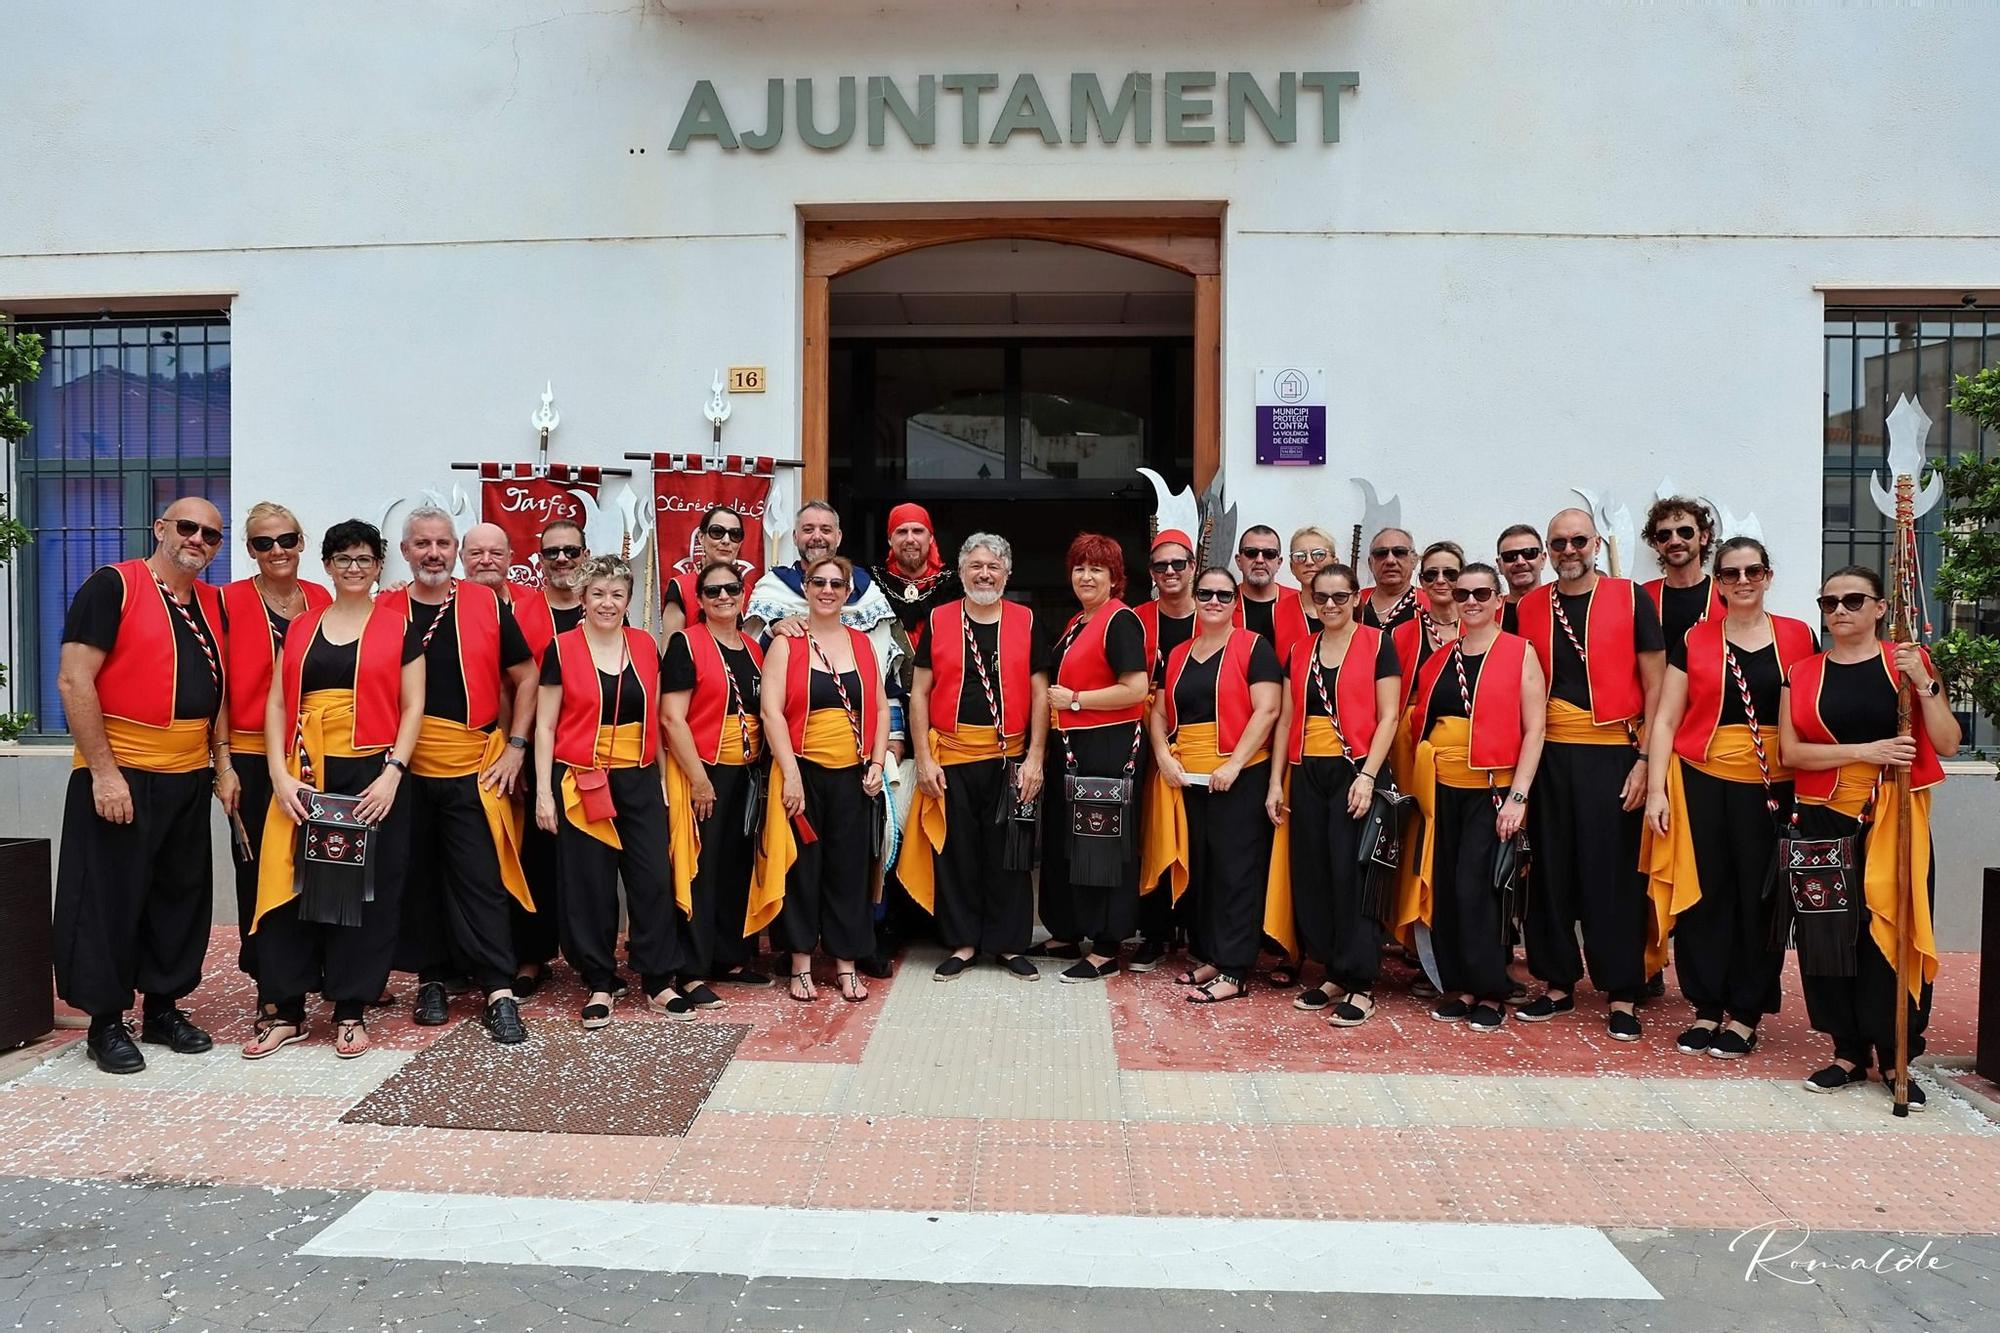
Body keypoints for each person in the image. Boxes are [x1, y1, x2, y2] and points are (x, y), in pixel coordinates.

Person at [53, 498, 232, 1074]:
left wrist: (221, 764)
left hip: (186, 773)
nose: (198, 539)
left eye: (210, 533)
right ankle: (105, 1022)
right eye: (187, 527)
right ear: (160, 529)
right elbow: (74, 679)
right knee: (108, 899)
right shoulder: (113, 586)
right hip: (122, 770)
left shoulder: (210, 603)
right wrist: (104, 773)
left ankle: (162, 1008)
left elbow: (218, 690)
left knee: (178, 898)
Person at [1781, 566, 1959, 1106]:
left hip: (1893, 819)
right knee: (1829, 937)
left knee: (1892, 931)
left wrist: (1924, 684)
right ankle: (1846, 1052)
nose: (1840, 611)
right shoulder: (1802, 672)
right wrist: (1866, 752)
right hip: (1822, 817)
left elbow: (1948, 742)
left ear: (1881, 608)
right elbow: (1791, 754)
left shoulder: (1905, 664)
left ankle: (1896, 1053)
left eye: (1854, 600)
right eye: (1829, 602)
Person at [245, 521, 422, 1059]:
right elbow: (278, 703)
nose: (353, 567)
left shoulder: (397, 627)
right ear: (326, 564)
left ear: (377, 568)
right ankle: (287, 1010)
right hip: (306, 772)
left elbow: (413, 706)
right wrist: (278, 773)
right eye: (342, 557)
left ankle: (350, 1009)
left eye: (364, 559)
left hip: (370, 773)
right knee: (289, 888)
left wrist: (393, 772)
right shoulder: (301, 627)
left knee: (361, 896)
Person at [1644, 537, 1816, 1059]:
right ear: (1717, 582)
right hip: (1701, 777)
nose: (1742, 581)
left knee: (1760, 899)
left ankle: (1744, 1014)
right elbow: (1667, 718)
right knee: (1704, 895)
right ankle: (1704, 1008)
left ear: (1768, 576)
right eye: (1731, 573)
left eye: (1753, 571)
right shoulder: (1695, 639)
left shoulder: (1798, 636)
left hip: (1773, 784)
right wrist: (1656, 790)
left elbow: (1810, 710)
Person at [1512, 508, 1665, 1040]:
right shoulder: (1530, 605)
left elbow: (1656, 686)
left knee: (1614, 876)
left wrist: (1647, 761)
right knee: (1549, 874)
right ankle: (1556, 982)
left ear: (1595, 543)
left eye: (1578, 540)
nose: (1568, 550)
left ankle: (1622, 989)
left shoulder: (1630, 597)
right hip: (1550, 754)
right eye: (1558, 542)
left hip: (1614, 755)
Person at [388, 505, 538, 1044]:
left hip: (472, 764)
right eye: (421, 544)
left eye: (442, 544)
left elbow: (527, 677)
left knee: (482, 877)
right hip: (401, 769)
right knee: (418, 878)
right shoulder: (386, 610)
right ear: (405, 551)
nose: (433, 553)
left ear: (455, 551)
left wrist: (517, 746)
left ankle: (498, 987)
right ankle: (430, 979)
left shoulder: (485, 604)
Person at [534, 557, 686, 1027]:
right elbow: (544, 725)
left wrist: (662, 780)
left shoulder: (644, 645)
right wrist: (543, 792)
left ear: (627, 599)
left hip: (637, 777)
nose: (607, 603)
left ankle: (658, 978)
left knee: (652, 878)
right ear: (583, 598)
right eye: (598, 593)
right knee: (590, 886)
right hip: (581, 779)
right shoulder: (561, 648)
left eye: (616, 594)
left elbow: (657, 719)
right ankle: (600, 981)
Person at [1402, 564, 1546, 1031]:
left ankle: (1489, 990)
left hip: (1492, 791)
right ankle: (1458, 984)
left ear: (1498, 598)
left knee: (1477, 891)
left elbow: (1535, 728)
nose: (1471, 600)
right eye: (1462, 593)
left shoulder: (1519, 652)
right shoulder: (1441, 659)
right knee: (1445, 890)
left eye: (1481, 592)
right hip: (1441, 792)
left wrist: (1518, 797)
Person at [902, 534, 1051, 980]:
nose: (984, 573)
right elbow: (919, 694)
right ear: (962, 572)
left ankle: (1008, 944)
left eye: (993, 566)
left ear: (1007, 573)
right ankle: (963, 942)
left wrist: (1037, 758)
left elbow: (1042, 692)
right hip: (952, 754)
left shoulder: (1026, 621)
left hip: (1011, 755)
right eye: (976, 566)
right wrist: (925, 758)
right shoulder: (940, 618)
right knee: (958, 853)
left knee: (1011, 854)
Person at [1264, 563, 1401, 1020]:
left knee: (1353, 876)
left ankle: (1362, 982)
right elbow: (1285, 719)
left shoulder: (1379, 644)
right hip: (1307, 773)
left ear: (1355, 597)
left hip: (1356, 771)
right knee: (1315, 875)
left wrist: (1367, 775)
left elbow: (1389, 717)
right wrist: (1275, 783)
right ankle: (1333, 970)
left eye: (1339, 597)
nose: (1329, 605)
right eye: (1321, 597)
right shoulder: (1300, 649)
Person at [757, 555, 891, 1003]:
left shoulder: (861, 643)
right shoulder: (787, 642)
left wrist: (874, 764)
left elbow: (876, 707)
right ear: (807, 588)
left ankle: (846, 963)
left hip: (853, 776)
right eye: (819, 582)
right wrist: (790, 775)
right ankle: (799, 963)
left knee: (849, 871)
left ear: (849, 591)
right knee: (801, 869)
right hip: (802, 771)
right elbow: (770, 712)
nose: (828, 590)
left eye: (837, 583)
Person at [1144, 568, 1283, 1002]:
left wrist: (1235, 765)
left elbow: (1268, 710)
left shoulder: (1253, 646)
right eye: (1205, 593)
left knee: (1237, 872)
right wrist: (1164, 756)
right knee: (1202, 869)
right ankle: (1210, 955)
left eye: (1224, 594)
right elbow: (1159, 712)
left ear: (1236, 599)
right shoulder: (1181, 652)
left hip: (1239, 776)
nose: (1214, 601)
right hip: (1191, 776)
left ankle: (1236, 969)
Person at [220, 502, 331, 991]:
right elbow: (215, 689)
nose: (277, 551)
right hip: (248, 753)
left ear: (302, 542)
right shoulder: (227, 601)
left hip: (314, 748)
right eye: (264, 543)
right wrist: (222, 765)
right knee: (258, 868)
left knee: (318, 862)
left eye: (286, 539)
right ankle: (270, 980)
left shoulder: (321, 596)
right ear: (250, 550)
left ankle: (320, 971)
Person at [1033, 533, 1151, 982]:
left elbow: (1136, 689)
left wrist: (1077, 700)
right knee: (1069, 845)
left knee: (1103, 848)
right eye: (1080, 567)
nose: (1086, 576)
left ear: (1114, 577)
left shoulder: (1119, 621)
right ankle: (1067, 932)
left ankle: (1106, 945)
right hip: (1073, 750)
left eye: (1096, 569)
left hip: (1108, 747)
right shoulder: (1078, 621)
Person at [481, 518, 589, 998]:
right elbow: (507, 687)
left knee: (588, 860)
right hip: (531, 751)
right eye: (552, 553)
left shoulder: (604, 609)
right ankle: (531, 956)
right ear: (538, 560)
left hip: (588, 754)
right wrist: (511, 749)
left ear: (585, 555)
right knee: (533, 856)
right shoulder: (520, 612)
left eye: (571, 551)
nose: (562, 560)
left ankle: (590, 956)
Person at [662, 559, 770, 995]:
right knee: (699, 870)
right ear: (700, 601)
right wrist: (699, 780)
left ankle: (729, 957)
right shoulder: (685, 644)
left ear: (743, 594)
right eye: (712, 592)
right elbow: (671, 718)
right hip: (704, 769)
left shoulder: (754, 647)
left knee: (735, 866)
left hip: (747, 772)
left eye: (731, 589)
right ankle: (691, 970)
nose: (723, 596)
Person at [1131, 528, 1200, 971]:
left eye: (1179, 564)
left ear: (1193, 567)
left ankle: (1194, 928)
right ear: (1151, 573)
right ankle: (1153, 932)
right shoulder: (1136, 618)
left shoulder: (1217, 611)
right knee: (1148, 834)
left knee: (1197, 838)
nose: (1171, 572)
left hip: (1200, 741)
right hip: (1142, 741)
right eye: (1161, 566)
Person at [1641, 496, 1725, 650]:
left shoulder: (1725, 594)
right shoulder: (1642, 597)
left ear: (1704, 536)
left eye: (1685, 532)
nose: (1675, 541)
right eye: (1664, 535)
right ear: (1656, 544)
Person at [872, 502, 960, 639]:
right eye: (902, 532)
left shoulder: (955, 585)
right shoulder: (872, 583)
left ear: (930, 538)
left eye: (917, 531)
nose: (910, 539)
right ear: (890, 540)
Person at [662, 505, 747, 636]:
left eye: (734, 535)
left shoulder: (747, 590)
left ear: (740, 543)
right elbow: (670, 649)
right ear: (701, 538)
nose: (726, 541)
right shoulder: (681, 587)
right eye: (717, 533)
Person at [1391, 541, 1465, 690]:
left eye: (1450, 574)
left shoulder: (1480, 630)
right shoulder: (1401, 634)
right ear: (1422, 582)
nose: (1440, 580)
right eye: (1431, 574)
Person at [1232, 526, 1287, 645]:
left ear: (1279, 563)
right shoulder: (1221, 603)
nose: (1260, 560)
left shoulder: (1298, 602)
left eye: (1269, 554)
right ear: (1238, 561)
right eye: (1251, 552)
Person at [1359, 528, 1420, 630]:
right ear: (1370, 563)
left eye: (1399, 552)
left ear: (1414, 561)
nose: (1390, 560)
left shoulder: (1430, 605)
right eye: (1381, 553)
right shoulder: (1354, 602)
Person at [1495, 523, 1547, 624]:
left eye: (1529, 553)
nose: (1520, 562)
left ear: (1543, 559)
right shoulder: (1490, 614)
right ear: (1499, 565)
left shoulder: (1563, 606)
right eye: (1509, 556)